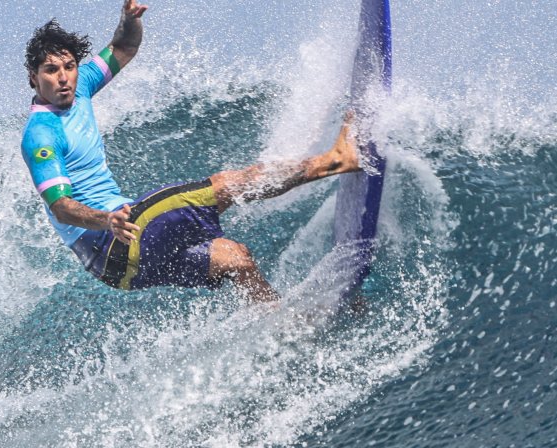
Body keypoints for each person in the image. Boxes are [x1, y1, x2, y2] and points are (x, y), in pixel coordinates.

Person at [21, 0, 359, 303]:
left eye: (69, 66)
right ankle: (335, 160)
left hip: (121, 267)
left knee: (235, 259)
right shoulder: (41, 136)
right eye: (51, 70)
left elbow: (123, 47)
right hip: (111, 242)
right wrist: (107, 220)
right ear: (34, 78)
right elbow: (61, 207)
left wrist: (130, 19)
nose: (64, 77)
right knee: (226, 185)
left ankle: (277, 324)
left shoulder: (79, 90)